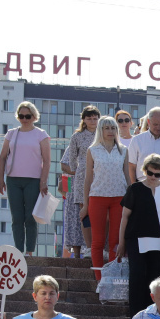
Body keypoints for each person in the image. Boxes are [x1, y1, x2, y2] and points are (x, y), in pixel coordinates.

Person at [115, 154, 160, 317]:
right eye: (150, 173)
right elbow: (124, 217)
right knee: (137, 278)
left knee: (155, 280)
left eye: (157, 174)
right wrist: (121, 242)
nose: (153, 177)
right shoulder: (134, 188)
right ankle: (135, 316)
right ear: (144, 170)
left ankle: (152, 314)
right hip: (136, 240)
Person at [0, 101, 50, 256]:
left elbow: (46, 160)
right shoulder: (11, 133)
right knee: (17, 217)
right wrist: (0, 180)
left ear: (34, 116)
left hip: (33, 180)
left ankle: (30, 251)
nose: (24, 119)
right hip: (13, 180)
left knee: (30, 218)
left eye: (27, 116)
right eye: (21, 116)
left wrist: (43, 182)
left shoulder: (41, 134)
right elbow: (2, 157)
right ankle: (18, 251)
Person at [81, 116, 129, 280]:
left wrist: (131, 200)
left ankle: (113, 277)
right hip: (97, 197)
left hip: (119, 199)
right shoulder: (92, 150)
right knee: (98, 241)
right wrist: (85, 204)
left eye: (113, 128)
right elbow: (87, 179)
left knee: (116, 241)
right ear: (100, 130)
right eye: (106, 128)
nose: (110, 131)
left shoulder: (123, 150)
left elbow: (127, 177)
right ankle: (100, 279)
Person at [61, 105, 101, 259]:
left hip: (100, 175)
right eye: (89, 118)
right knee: (84, 211)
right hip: (81, 177)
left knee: (98, 210)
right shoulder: (76, 137)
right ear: (84, 119)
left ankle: (98, 246)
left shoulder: (103, 134)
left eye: (95, 118)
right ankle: (89, 247)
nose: (92, 120)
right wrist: (80, 170)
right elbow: (71, 161)